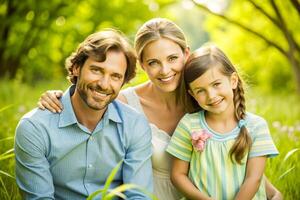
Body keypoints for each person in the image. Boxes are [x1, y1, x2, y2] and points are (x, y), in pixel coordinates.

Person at [36, 18, 283, 200]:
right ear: (142, 64)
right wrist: (58, 95)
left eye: (173, 59)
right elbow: (91, 93)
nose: (165, 71)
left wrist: (271, 192)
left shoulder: (203, 98)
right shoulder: (122, 104)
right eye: (153, 63)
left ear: (186, 54)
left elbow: (231, 151)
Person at [14, 29, 153, 199]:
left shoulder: (135, 125)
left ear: (123, 82)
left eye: (115, 76)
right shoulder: (35, 128)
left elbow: (139, 195)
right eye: (96, 70)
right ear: (76, 68)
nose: (104, 84)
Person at [166, 45, 279, 199]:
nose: (211, 96)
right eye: (200, 90)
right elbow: (178, 175)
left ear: (233, 81)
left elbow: (254, 178)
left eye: (216, 84)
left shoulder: (256, 126)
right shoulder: (189, 125)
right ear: (192, 94)